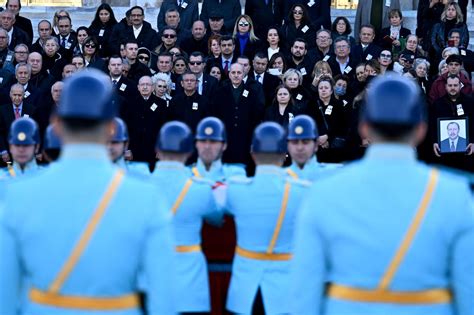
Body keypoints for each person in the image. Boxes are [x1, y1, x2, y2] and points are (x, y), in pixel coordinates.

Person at [291, 74, 474, 315]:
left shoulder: (324, 193)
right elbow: (468, 295)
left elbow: (304, 296)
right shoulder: (457, 195)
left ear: (364, 126)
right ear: (420, 130)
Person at [0, 70, 176, 314]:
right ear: (112, 128)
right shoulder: (147, 197)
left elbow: (5, 297)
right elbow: (163, 299)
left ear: (57, 125)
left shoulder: (18, 195)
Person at [225, 121, 309, 314]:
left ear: (253, 154)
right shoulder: (302, 191)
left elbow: (214, 213)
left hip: (244, 292)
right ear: (284, 154)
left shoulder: (236, 189)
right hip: (284, 293)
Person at [152, 120, 221, 314]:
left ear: (158, 148)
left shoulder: (140, 186)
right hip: (190, 278)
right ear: (189, 151)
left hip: (153, 274)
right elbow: (217, 220)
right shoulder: (201, 188)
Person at [286, 115, 340, 181]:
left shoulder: (334, 176)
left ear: (316, 145)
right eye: (295, 142)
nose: (300, 147)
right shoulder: (279, 178)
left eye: (305, 142)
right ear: (288, 145)